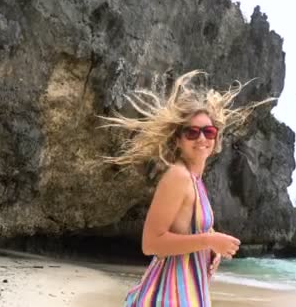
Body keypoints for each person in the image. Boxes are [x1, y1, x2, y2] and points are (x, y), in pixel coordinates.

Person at [100, 70, 273, 306]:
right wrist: (209, 241)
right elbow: (151, 243)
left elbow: (187, 232)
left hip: (188, 292)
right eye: (192, 132)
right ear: (178, 139)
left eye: (208, 131)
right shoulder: (177, 176)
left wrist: (212, 245)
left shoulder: (194, 178)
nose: (202, 138)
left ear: (216, 136)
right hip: (171, 296)